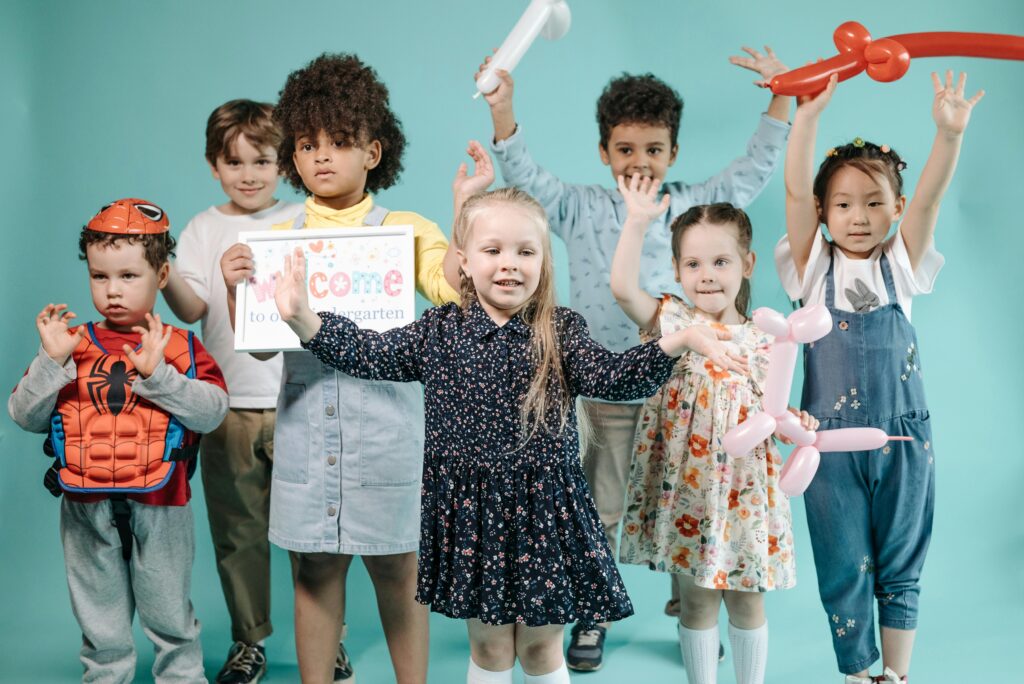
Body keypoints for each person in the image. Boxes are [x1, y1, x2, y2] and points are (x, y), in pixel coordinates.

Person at [271, 162, 748, 683]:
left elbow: (613, 378)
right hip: (473, 514)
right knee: (490, 644)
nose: (509, 265)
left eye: (525, 252)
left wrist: (677, 341)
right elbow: (371, 354)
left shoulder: (561, 330)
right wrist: (304, 319)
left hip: (546, 511)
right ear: (464, 259)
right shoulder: (438, 331)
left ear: (544, 261)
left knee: (541, 647)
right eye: (493, 250)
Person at [475, 46, 793, 669]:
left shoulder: (693, 207)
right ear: (604, 152)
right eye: (625, 149)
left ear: (672, 152)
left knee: (690, 498)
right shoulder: (580, 207)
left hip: (688, 392)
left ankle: (692, 604)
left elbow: (752, 170)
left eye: (653, 149)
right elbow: (526, 175)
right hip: (607, 392)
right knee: (601, 506)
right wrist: (502, 109)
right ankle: (591, 613)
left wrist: (782, 97)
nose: (639, 161)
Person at [218, 53, 460, 684]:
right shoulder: (275, 239)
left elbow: (455, 292)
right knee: (315, 570)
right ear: (292, 158)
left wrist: (465, 215)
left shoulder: (406, 230)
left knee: (398, 568)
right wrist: (236, 289)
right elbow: (261, 347)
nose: (322, 156)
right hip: (307, 431)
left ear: (374, 151)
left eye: (341, 141)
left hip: (387, 434)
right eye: (307, 144)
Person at [775, 71, 984, 684]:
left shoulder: (902, 265)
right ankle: (857, 675)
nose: (859, 217)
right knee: (843, 565)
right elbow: (794, 191)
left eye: (874, 203)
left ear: (895, 209)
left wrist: (949, 135)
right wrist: (807, 117)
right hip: (828, 446)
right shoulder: (812, 268)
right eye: (843, 204)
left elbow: (931, 200)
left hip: (902, 438)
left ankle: (896, 675)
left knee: (901, 563)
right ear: (823, 212)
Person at [8, 199, 228, 683]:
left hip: (163, 500)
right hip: (84, 503)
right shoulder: (68, 343)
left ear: (162, 274)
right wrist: (52, 363)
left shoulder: (180, 346)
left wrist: (160, 376)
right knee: (99, 619)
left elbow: (212, 413)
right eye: (99, 276)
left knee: (170, 613)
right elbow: (24, 415)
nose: (112, 290)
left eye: (129, 276)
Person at [612, 174, 815, 684]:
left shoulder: (768, 337)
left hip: (746, 493)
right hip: (691, 492)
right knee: (697, 603)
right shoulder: (673, 321)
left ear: (747, 264)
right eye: (693, 264)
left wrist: (797, 421)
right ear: (677, 269)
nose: (706, 276)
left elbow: (774, 411)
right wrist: (636, 222)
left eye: (721, 262)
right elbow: (622, 289)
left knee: (747, 603)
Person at [161, 98, 302, 684]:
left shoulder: (303, 217)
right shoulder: (204, 228)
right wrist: (167, 274)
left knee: (315, 534)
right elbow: (190, 308)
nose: (249, 175)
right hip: (227, 406)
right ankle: (250, 640)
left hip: (301, 401)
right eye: (234, 162)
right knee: (238, 533)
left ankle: (328, 640)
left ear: (283, 163)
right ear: (213, 165)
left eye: (262, 161)